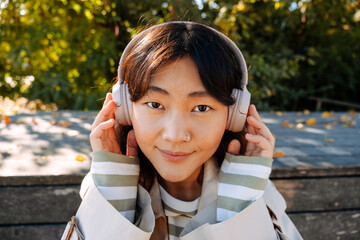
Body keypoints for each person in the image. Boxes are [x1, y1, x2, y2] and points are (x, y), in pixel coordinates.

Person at [61, 21, 303, 240]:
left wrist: (240, 205)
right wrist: (115, 196)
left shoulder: (253, 192)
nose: (175, 135)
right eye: (155, 104)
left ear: (233, 115)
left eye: (201, 107)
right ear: (124, 108)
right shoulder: (105, 187)